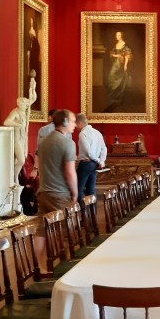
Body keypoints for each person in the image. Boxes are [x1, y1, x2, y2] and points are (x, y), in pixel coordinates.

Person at [35, 108, 77, 262]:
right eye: (72, 121)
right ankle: (58, 264)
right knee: (62, 230)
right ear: (64, 122)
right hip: (60, 193)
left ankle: (37, 266)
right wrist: (75, 192)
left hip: (43, 191)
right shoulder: (68, 143)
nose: (75, 125)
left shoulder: (44, 141)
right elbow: (70, 172)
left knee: (41, 231)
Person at [76, 113, 107, 201]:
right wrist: (102, 161)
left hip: (86, 164)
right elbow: (104, 148)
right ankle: (93, 212)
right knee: (91, 189)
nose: (75, 127)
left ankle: (83, 212)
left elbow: (88, 152)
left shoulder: (83, 134)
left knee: (79, 189)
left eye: (76, 124)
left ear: (79, 123)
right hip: (94, 165)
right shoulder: (97, 133)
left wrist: (98, 161)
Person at [105, 30, 132, 112]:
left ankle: (119, 98)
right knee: (111, 77)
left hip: (120, 64)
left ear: (121, 36)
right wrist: (113, 55)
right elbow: (113, 53)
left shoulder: (124, 45)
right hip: (116, 63)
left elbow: (127, 56)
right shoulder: (116, 44)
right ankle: (115, 97)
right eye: (116, 35)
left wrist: (125, 65)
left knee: (117, 78)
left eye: (119, 35)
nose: (117, 36)